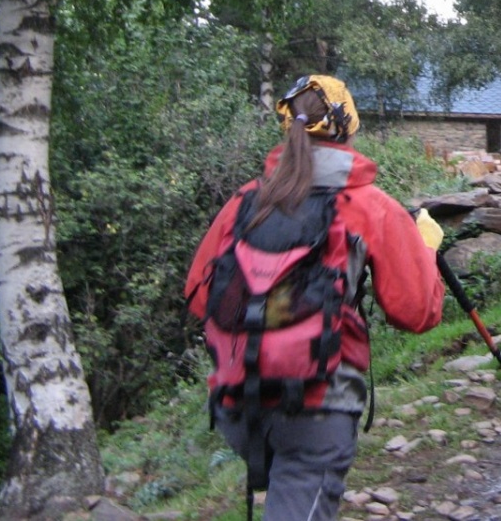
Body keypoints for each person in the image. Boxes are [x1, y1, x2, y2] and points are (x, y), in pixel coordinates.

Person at [186, 75, 444, 521]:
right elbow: (416, 312)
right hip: (318, 404)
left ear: (288, 126)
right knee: (301, 491)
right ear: (347, 128)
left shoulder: (248, 200)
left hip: (238, 396)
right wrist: (425, 248)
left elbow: (198, 297)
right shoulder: (370, 205)